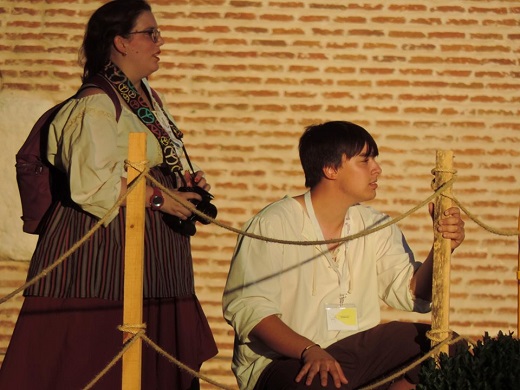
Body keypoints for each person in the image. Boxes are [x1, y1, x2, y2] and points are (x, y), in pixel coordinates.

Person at [0, 1, 217, 389]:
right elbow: (92, 185)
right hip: (104, 250)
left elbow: (150, 165)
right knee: (95, 357)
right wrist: (161, 199)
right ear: (120, 41)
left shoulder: (148, 98)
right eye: (150, 33)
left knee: (155, 357)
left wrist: (183, 187)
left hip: (156, 251)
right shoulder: (97, 103)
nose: (159, 40)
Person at [222, 121, 465, 390]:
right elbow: (251, 310)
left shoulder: (375, 225)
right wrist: (309, 350)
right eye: (365, 160)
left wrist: (441, 247)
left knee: (444, 347)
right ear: (330, 168)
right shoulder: (272, 224)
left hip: (352, 358)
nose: (377, 168)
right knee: (318, 382)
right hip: (286, 364)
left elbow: (411, 293)